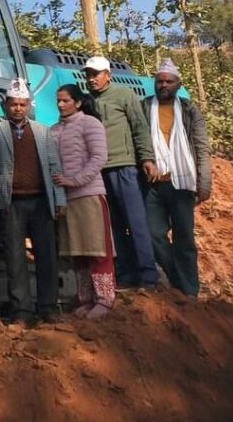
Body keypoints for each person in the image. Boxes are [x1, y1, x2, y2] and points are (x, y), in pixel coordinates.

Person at [0, 79, 66, 325]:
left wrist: (59, 198)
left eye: (23, 104)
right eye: (14, 104)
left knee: (46, 255)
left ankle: (49, 308)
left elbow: (54, 166)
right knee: (15, 258)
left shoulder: (42, 131)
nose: (18, 108)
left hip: (40, 201)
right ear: (6, 105)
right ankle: (21, 312)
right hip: (10, 202)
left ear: (29, 105)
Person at [83, 56, 160, 291]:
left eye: (96, 74)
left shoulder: (124, 95)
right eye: (88, 74)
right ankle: (125, 275)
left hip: (124, 166)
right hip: (99, 171)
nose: (91, 79)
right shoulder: (86, 101)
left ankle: (148, 276)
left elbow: (139, 127)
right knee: (113, 226)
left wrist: (147, 159)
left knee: (135, 222)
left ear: (108, 75)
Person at [141, 58, 212, 297]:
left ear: (178, 85)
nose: (163, 85)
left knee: (184, 239)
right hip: (153, 184)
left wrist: (204, 183)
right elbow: (139, 140)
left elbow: (201, 147)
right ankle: (178, 279)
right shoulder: (144, 107)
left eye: (168, 82)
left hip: (182, 183)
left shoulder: (190, 111)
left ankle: (189, 290)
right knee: (152, 234)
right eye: (159, 81)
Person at [51, 84, 115, 319]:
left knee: (97, 248)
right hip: (67, 200)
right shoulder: (54, 130)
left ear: (78, 102)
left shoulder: (90, 123)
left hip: (89, 195)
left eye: (65, 100)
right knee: (78, 250)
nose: (60, 105)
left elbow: (99, 157)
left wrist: (75, 180)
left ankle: (105, 299)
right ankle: (85, 298)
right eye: (58, 101)